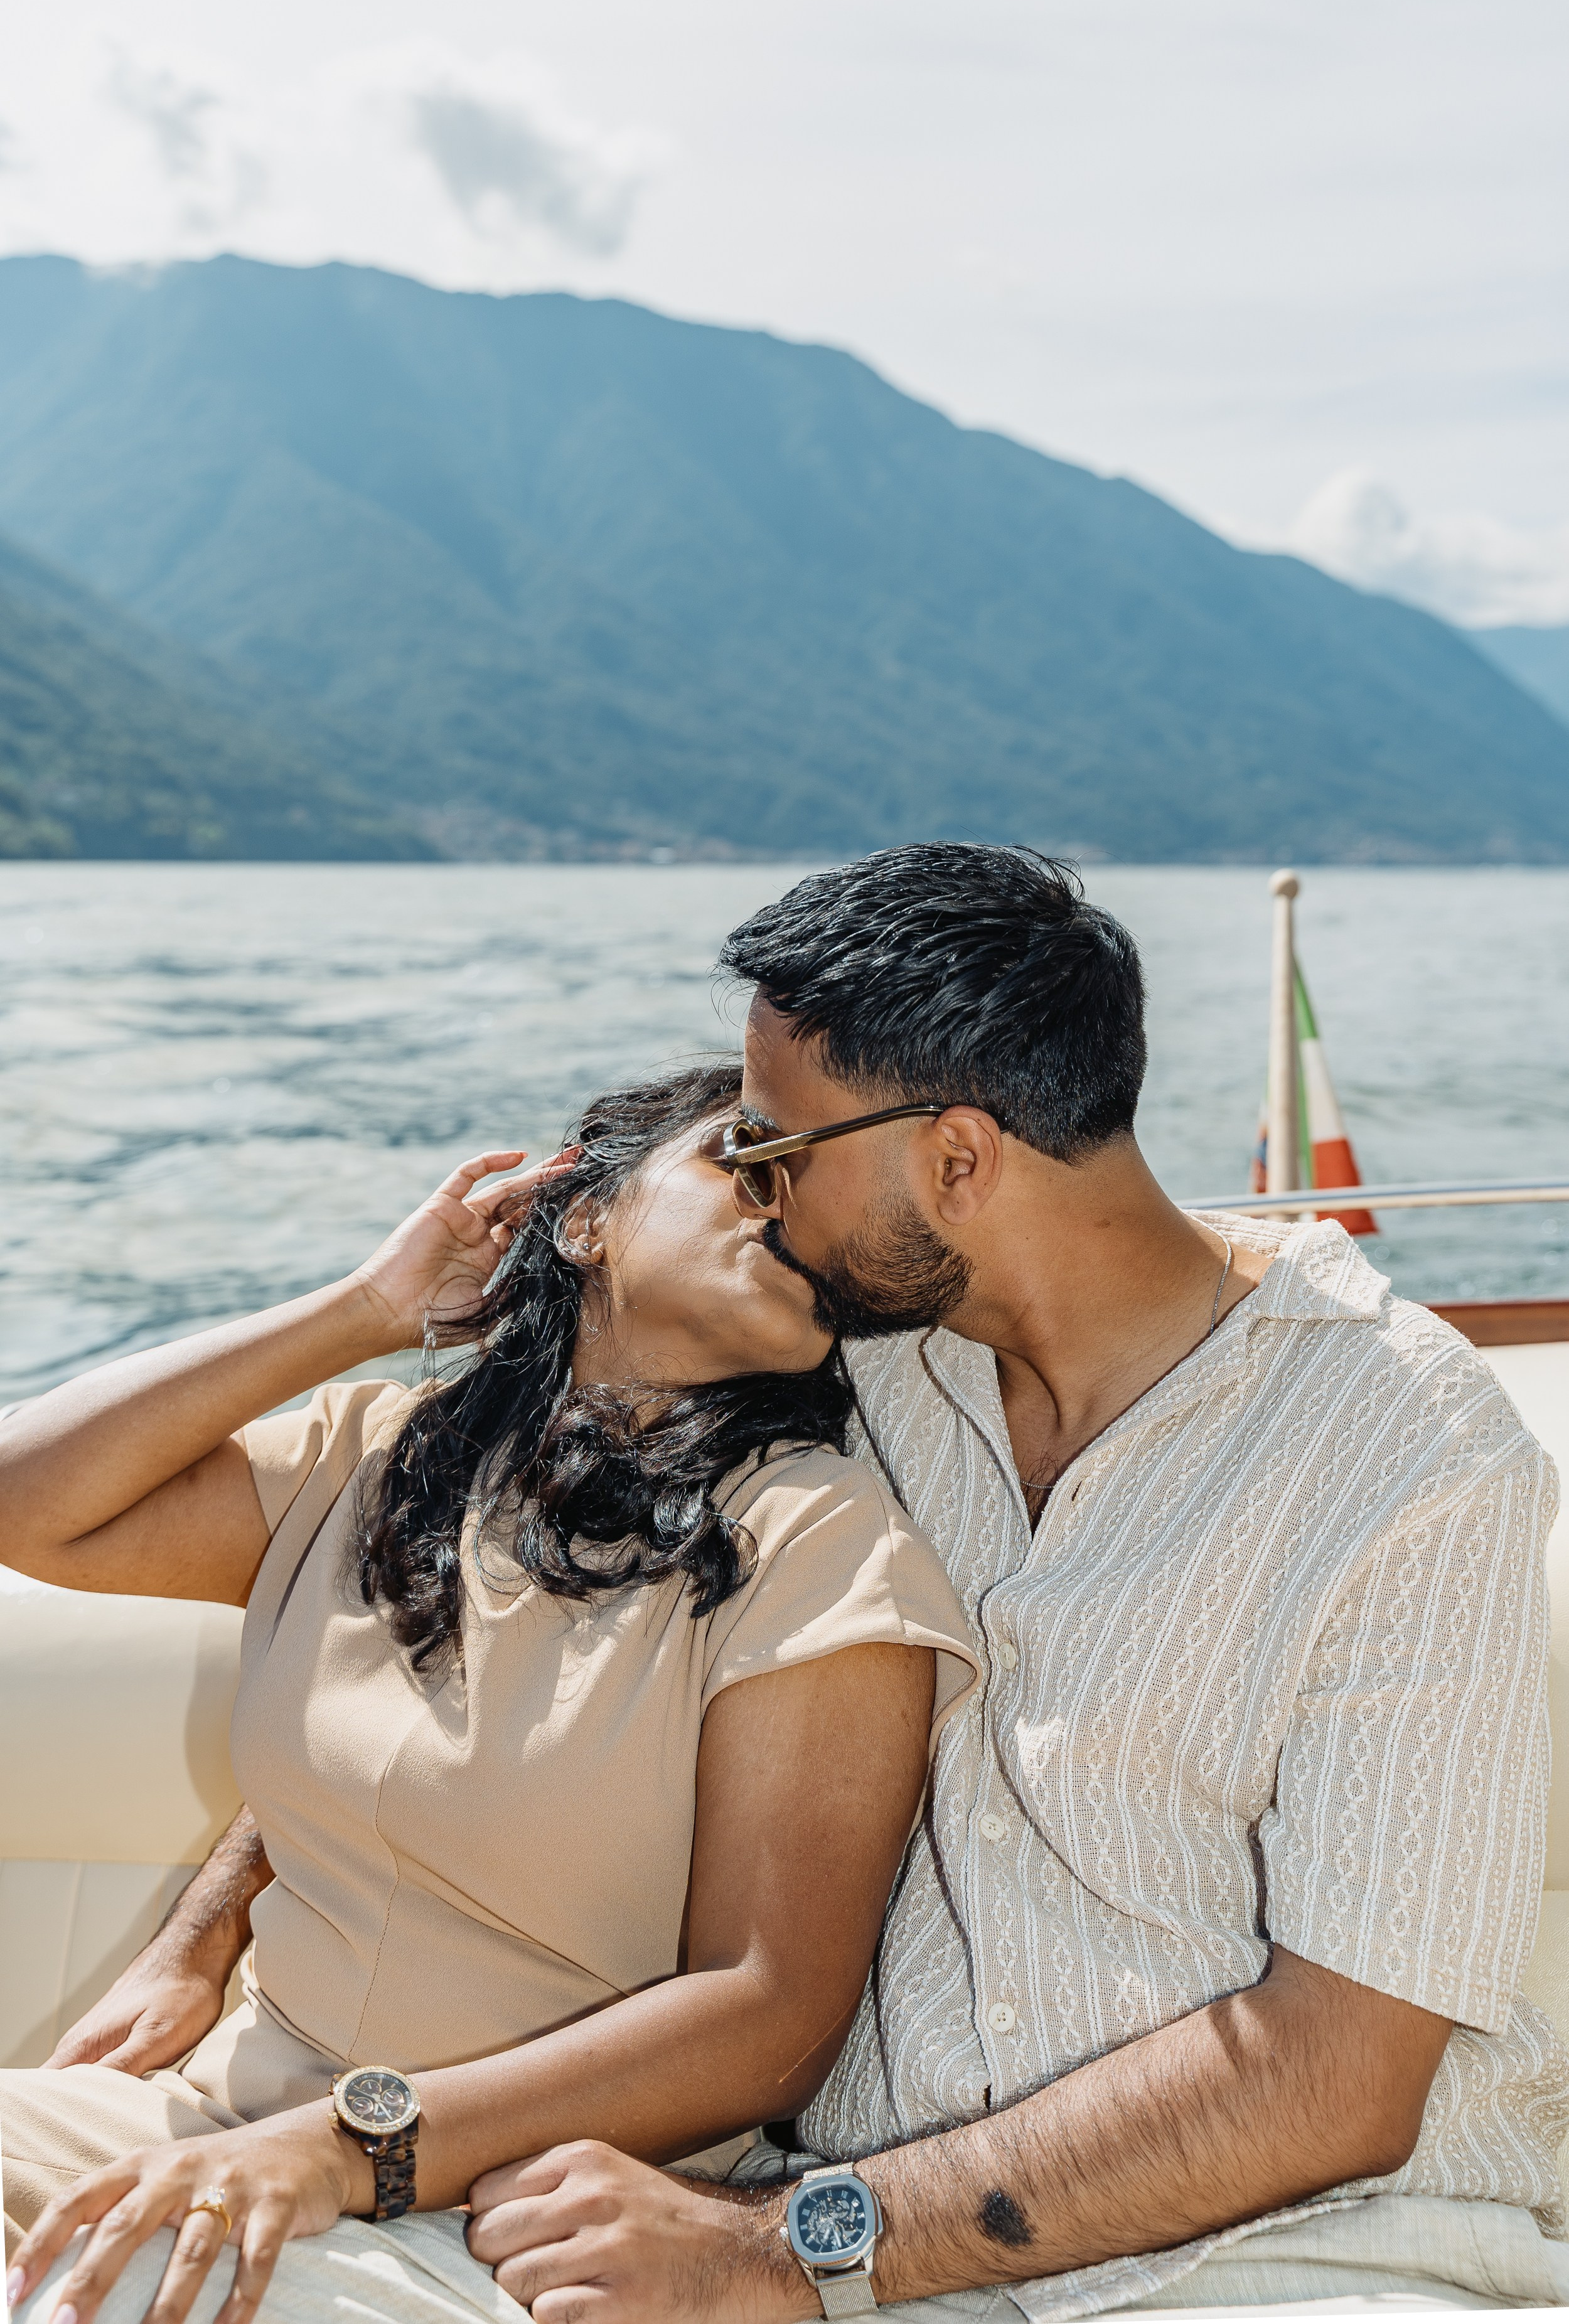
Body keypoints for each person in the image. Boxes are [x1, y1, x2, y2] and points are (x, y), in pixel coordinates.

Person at [15, 845, 1564, 2324]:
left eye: (774, 1149)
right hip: (862, 2243)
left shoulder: (1412, 1457)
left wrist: (778, 2248)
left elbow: (1333, 2080)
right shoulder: (873, 1360)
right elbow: (443, 1632)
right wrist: (214, 1917)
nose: (760, 1194)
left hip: (1290, 2256)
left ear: (953, 1160)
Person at [0, 1063, 979, 2324]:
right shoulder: (381, 1456)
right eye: (745, 1156)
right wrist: (365, 1308)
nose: (788, 1202)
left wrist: (346, 2146)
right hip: (219, 2115)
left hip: (515, 2213)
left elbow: (769, 2013)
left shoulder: (817, 1540)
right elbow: (30, 1501)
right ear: (587, 1220)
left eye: (815, 1183)